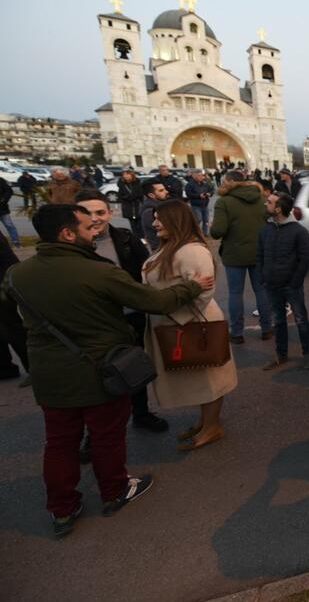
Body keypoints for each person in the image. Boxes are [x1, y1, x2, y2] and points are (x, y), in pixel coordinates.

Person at [2, 204, 212, 536]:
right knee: (106, 437)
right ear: (67, 234)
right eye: (88, 228)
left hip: (50, 375)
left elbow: (10, 320)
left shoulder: (17, 275)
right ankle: (114, 491)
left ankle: (62, 508)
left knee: (59, 443)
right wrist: (192, 286)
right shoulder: (99, 272)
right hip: (100, 370)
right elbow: (155, 302)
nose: (96, 230)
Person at [143, 200, 238, 452]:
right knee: (199, 377)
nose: (154, 223)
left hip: (195, 326)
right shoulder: (172, 247)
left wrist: (177, 320)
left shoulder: (192, 251)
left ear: (176, 220)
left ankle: (212, 427)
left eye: (159, 218)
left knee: (209, 378)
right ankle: (205, 422)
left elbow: (203, 292)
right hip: (179, 324)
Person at [75, 190, 169, 436]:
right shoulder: (70, 245)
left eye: (100, 212)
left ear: (110, 212)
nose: (95, 218)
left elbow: (146, 274)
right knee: (94, 380)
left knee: (134, 368)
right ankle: (93, 435)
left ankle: (141, 414)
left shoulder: (126, 239)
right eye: (87, 213)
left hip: (130, 317)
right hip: (91, 323)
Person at [210, 171, 272, 344]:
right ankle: (267, 328)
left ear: (229, 181)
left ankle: (237, 332)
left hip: (234, 254)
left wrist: (212, 226)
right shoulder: (260, 199)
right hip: (259, 252)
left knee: (235, 293)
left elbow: (217, 232)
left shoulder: (224, 202)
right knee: (261, 290)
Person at [257, 193, 309, 371]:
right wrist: (263, 276)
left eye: (269, 202)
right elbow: (260, 255)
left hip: (291, 286)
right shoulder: (266, 229)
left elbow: (305, 259)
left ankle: (308, 355)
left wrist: (295, 282)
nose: (266, 203)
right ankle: (281, 355)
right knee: (278, 321)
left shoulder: (298, 231)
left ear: (278, 208)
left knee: (301, 320)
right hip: (272, 284)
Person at [0, 234, 27, 380]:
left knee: (10, 326)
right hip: (5, 276)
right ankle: (4, 368)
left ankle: (33, 367)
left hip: (3, 282)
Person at [140, 181, 169, 250]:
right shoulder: (150, 211)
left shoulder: (161, 206)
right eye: (161, 190)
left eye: (164, 189)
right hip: (161, 248)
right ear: (151, 195)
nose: (166, 191)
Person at [117, 169, 145, 239]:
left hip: (137, 206)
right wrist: (128, 197)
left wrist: (131, 196)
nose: (126, 176)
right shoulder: (122, 185)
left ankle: (142, 238)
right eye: (124, 175)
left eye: (127, 174)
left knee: (140, 225)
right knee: (133, 225)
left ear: (132, 175)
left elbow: (140, 194)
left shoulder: (137, 183)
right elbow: (120, 196)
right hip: (128, 207)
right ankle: (136, 238)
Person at [184, 169, 214, 234]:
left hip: (205, 204)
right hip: (196, 205)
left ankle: (205, 233)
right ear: (194, 176)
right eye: (199, 175)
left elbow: (211, 190)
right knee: (198, 219)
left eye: (202, 175)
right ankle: (195, 232)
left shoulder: (204, 184)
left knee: (206, 220)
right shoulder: (189, 185)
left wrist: (210, 194)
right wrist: (198, 196)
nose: (202, 177)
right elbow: (188, 194)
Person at [0, 178, 21, 248]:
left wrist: (3, 200)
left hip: (2, 209)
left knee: (9, 225)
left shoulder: (1, 181)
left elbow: (9, 191)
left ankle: (16, 242)